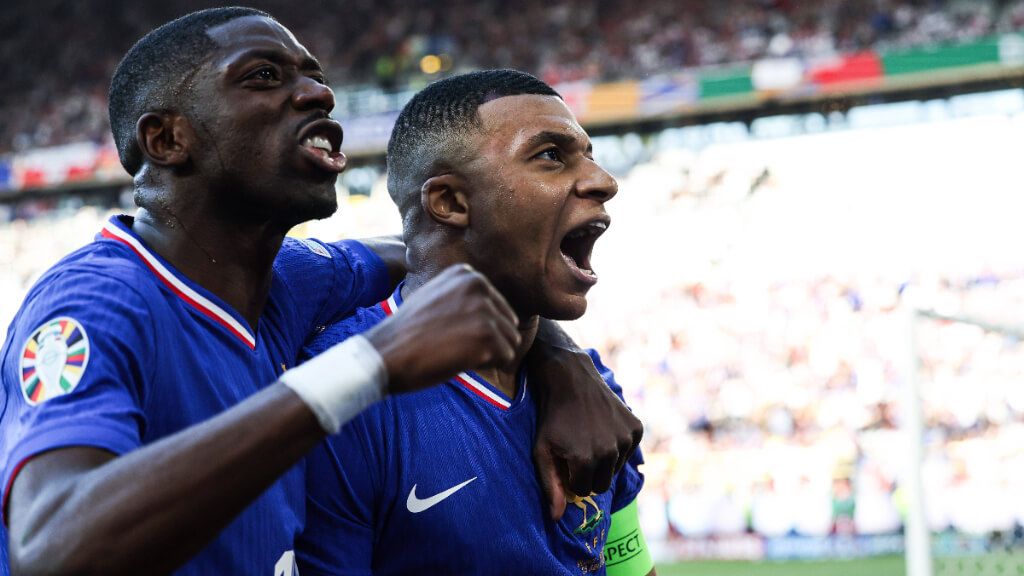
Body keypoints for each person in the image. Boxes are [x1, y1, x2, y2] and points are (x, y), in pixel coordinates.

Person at [0, 10, 641, 575]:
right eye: (264, 76)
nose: (319, 94)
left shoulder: (292, 282)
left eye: (313, 75)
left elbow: (448, 254)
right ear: (167, 139)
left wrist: (560, 358)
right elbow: (53, 548)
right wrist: (369, 366)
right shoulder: (96, 303)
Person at [296, 70, 655, 576]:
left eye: (589, 154)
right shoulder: (343, 395)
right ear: (450, 203)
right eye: (551, 154)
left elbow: (630, 569)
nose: (603, 181)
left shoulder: (591, 387)